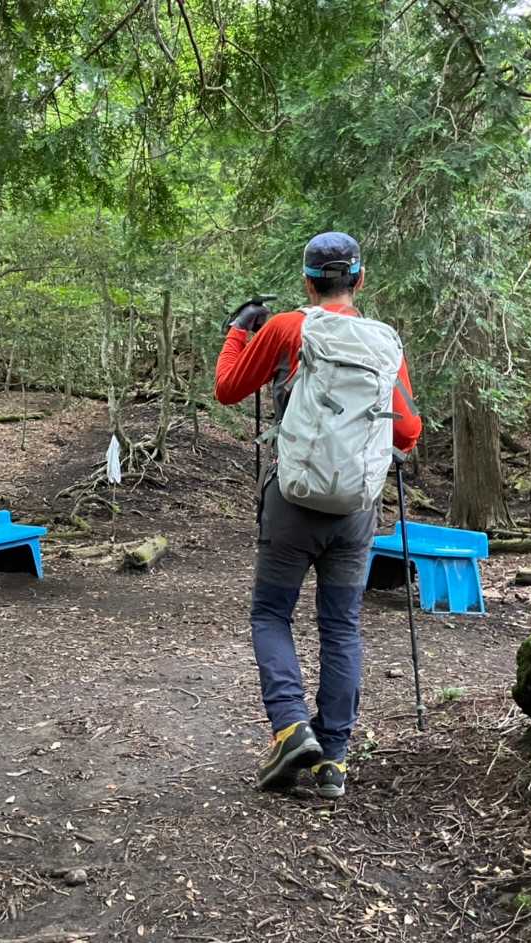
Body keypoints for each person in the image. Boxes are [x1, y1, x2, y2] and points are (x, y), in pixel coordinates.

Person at [214, 231, 422, 798]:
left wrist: (239, 331)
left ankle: (290, 728)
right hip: (355, 508)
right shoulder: (383, 342)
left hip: (293, 499)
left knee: (271, 614)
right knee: (341, 625)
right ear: (360, 279)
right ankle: (334, 760)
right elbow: (408, 430)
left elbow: (228, 388)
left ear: (307, 281)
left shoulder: (288, 328)